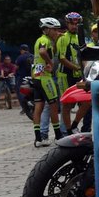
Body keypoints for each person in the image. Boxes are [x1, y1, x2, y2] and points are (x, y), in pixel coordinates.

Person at [31, 17, 63, 146]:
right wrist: (50, 62)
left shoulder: (39, 40)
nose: (56, 32)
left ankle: (38, 138)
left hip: (37, 78)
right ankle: (58, 136)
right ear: (47, 29)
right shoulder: (45, 41)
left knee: (38, 107)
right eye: (54, 29)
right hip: (45, 78)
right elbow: (43, 51)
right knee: (54, 106)